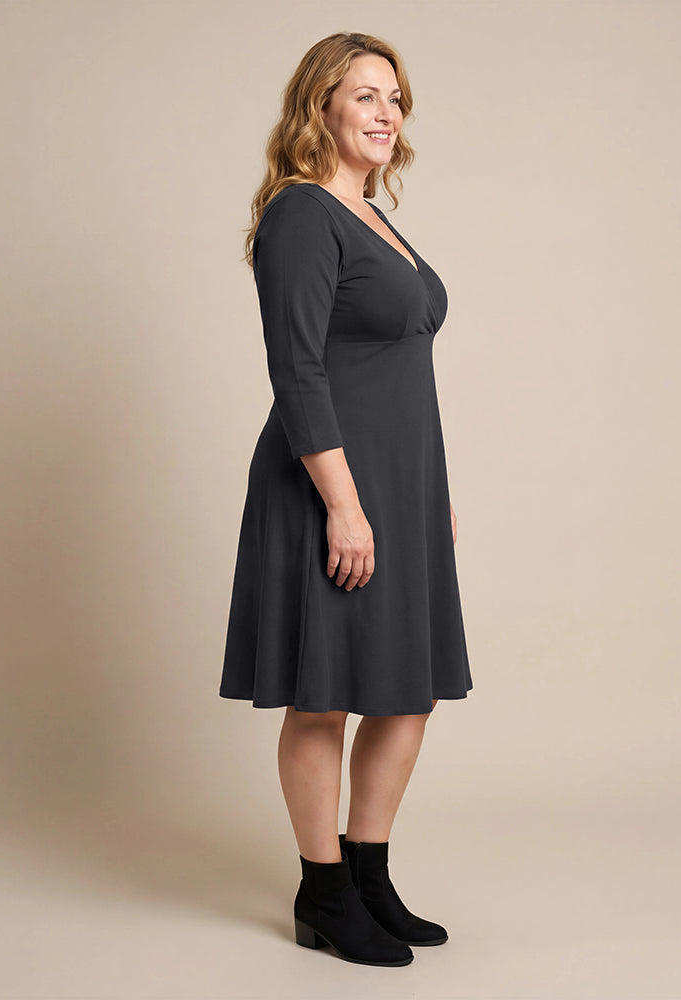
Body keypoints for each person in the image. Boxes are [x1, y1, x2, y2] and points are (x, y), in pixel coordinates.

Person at [219, 31, 472, 968]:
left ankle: (369, 875)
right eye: (365, 95)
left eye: (395, 98)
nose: (385, 113)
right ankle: (323, 891)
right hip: (328, 485)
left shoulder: (376, 218)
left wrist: (428, 496)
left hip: (400, 488)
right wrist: (345, 504)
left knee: (407, 689)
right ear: (319, 105)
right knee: (325, 696)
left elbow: (399, 374)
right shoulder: (301, 214)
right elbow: (298, 369)